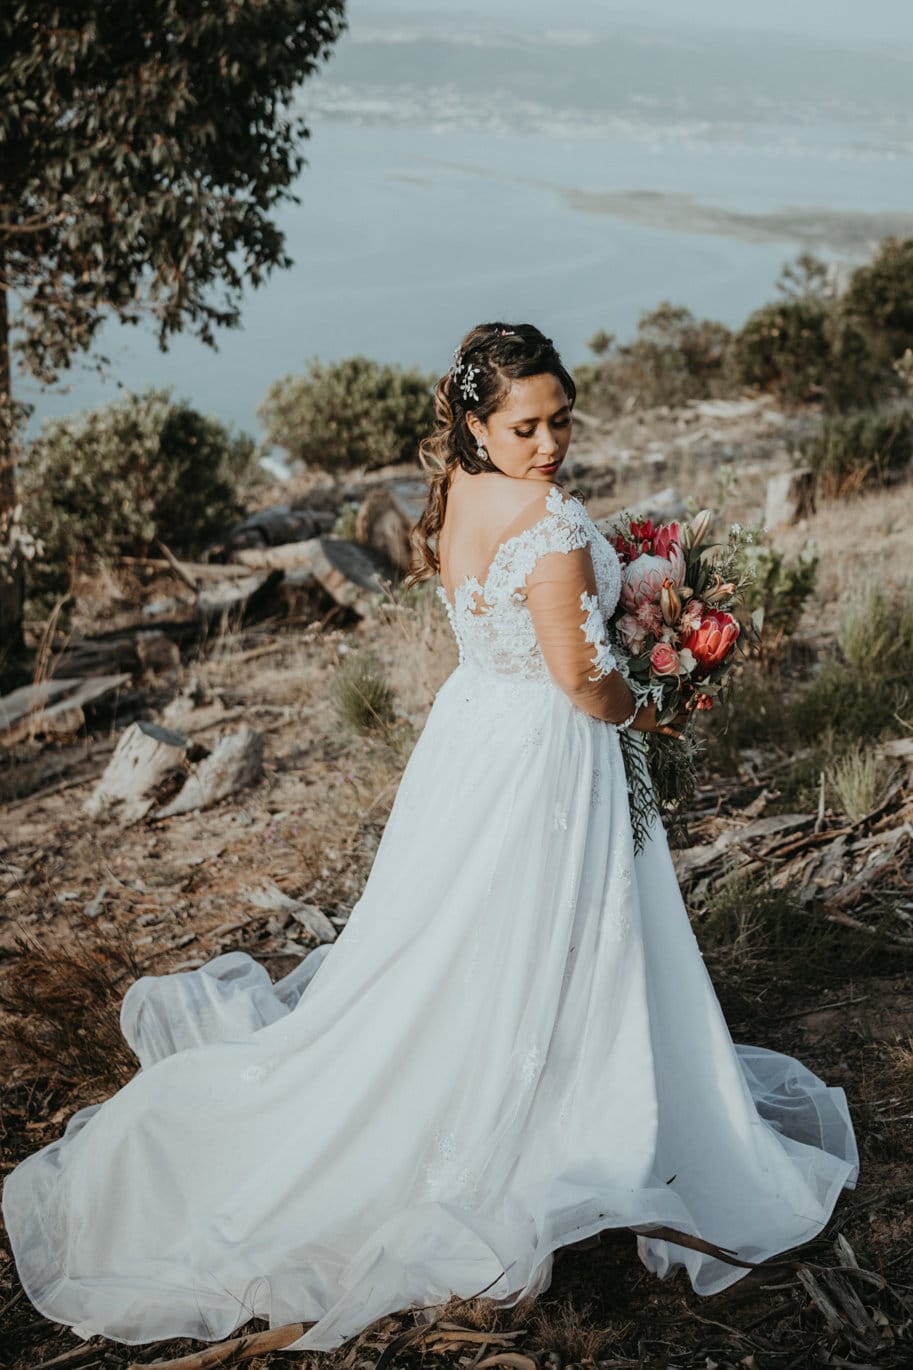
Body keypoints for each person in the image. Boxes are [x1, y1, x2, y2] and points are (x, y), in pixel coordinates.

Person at [2, 322, 858, 1356]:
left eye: (560, 420)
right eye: (525, 424)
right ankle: (556, 1102)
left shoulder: (458, 493)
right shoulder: (543, 517)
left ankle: (548, 1068)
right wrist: (654, 706)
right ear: (476, 420)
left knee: (460, 934)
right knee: (543, 926)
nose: (549, 444)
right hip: (545, 749)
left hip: (474, 738)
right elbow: (583, 683)